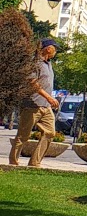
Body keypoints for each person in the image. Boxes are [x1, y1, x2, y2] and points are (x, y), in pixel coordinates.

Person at [9, 38, 59, 167]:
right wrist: (49, 97)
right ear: (48, 48)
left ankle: (35, 163)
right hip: (31, 105)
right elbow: (32, 83)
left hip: (46, 106)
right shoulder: (35, 63)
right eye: (55, 48)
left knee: (50, 133)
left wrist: (50, 100)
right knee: (23, 135)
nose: (56, 51)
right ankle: (13, 163)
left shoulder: (49, 64)